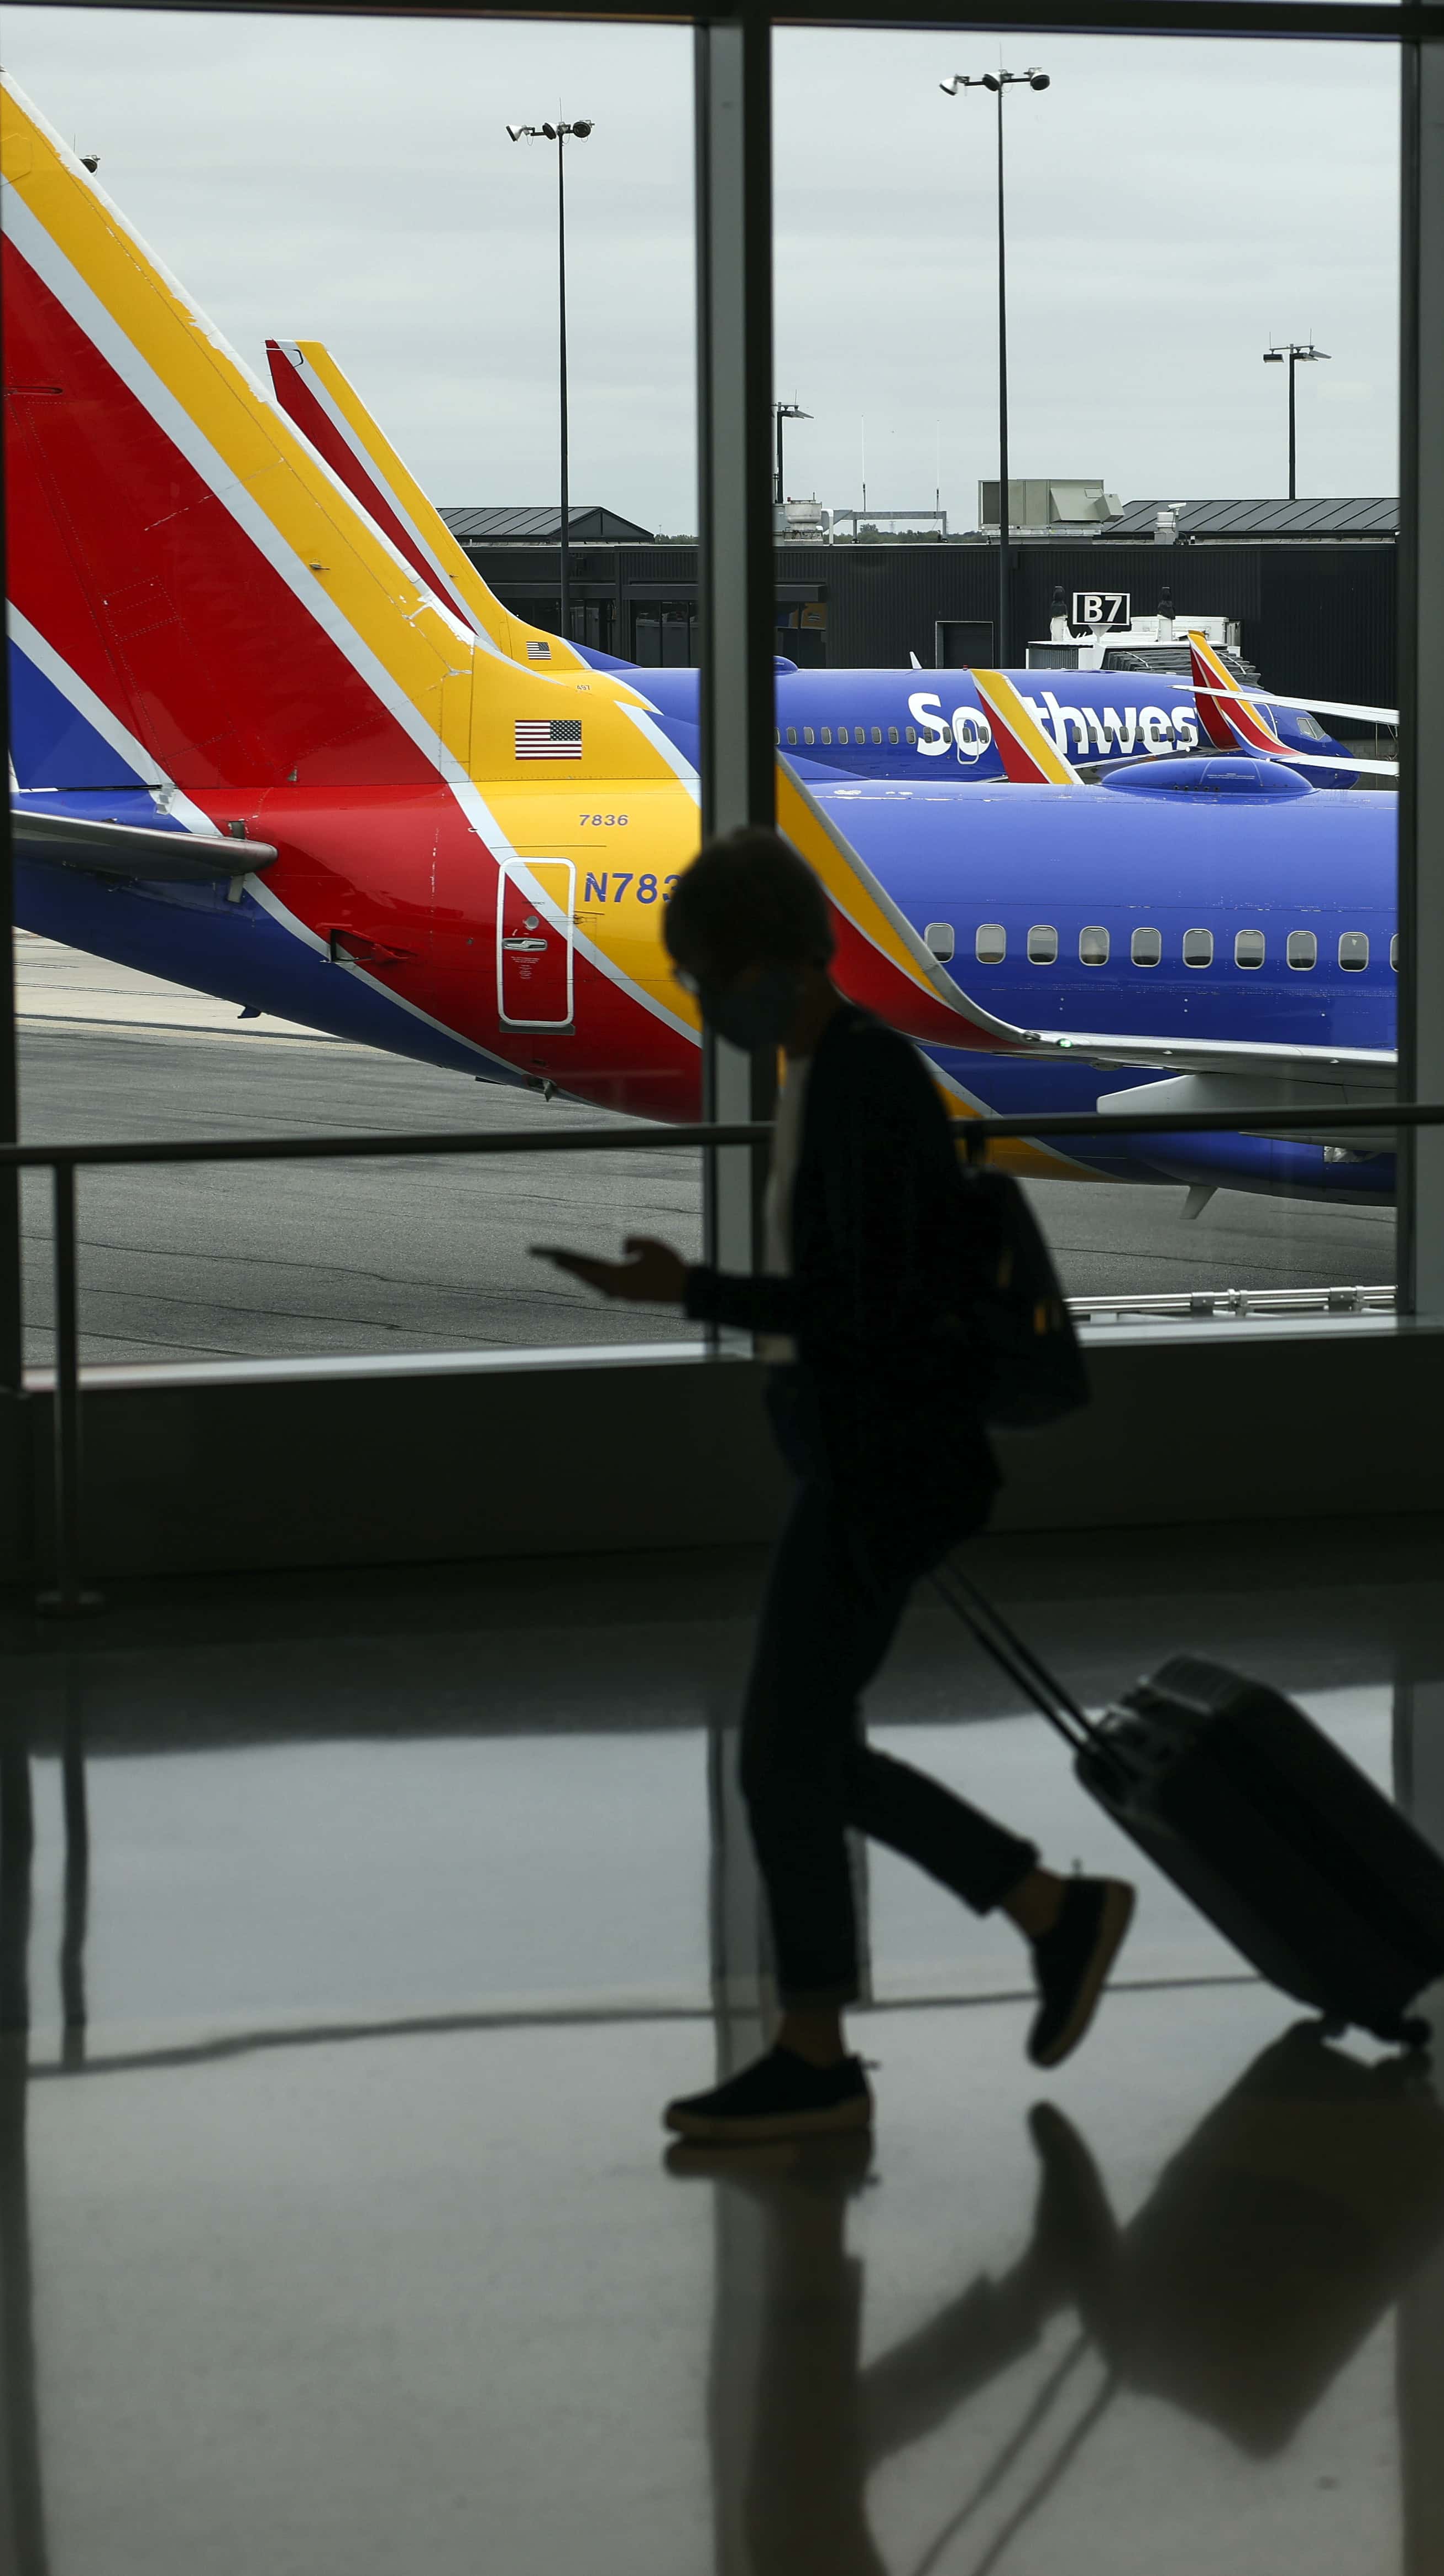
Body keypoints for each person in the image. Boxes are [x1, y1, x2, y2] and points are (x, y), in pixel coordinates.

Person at [541, 826, 1134, 2144]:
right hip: (878, 1456)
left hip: (890, 1464)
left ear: (768, 960)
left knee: (779, 1751)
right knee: (804, 1748)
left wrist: (682, 1288)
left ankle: (828, 2047)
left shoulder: (863, 1080)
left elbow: (867, 1304)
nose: (703, 1004)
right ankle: (1041, 1915)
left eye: (706, 976)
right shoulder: (834, 1073)